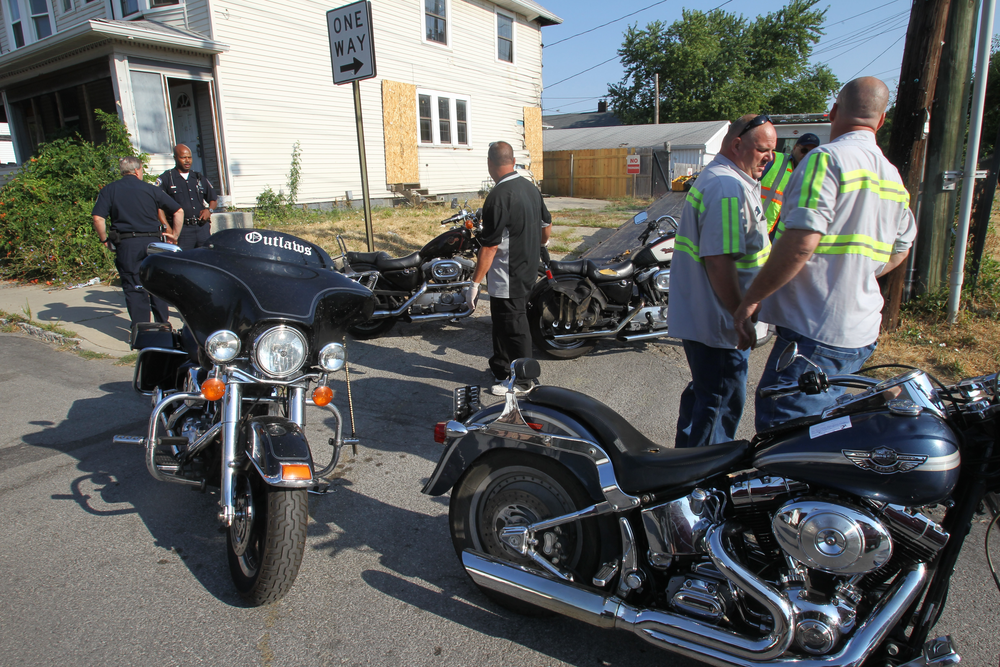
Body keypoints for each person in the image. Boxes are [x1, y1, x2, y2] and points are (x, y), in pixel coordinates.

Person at [732, 77, 917, 431]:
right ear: (881, 121)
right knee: (824, 421)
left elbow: (801, 242)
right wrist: (859, 274)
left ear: (833, 112)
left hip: (817, 330)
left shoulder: (826, 160)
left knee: (785, 428)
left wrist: (751, 301)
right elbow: (901, 246)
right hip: (860, 330)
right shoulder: (893, 177)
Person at [667, 113, 776, 448]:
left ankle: (684, 465)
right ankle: (701, 482)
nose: (769, 157)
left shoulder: (726, 180)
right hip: (720, 325)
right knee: (717, 406)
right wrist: (738, 315)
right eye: (762, 149)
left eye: (773, 150)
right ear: (737, 144)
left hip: (710, 321)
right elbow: (719, 261)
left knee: (705, 397)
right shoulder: (727, 187)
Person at [467, 141, 551, 395]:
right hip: (527, 267)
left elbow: (489, 247)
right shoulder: (530, 188)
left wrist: (474, 284)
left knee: (515, 326)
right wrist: (540, 242)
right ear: (513, 162)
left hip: (508, 274)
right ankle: (502, 368)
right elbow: (546, 225)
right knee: (503, 322)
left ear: (490, 164)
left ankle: (524, 381)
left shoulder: (498, 197)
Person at [92, 156, 184, 330]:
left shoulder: (110, 190)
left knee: (135, 286)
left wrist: (104, 238)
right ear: (137, 170)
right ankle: (163, 325)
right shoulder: (150, 189)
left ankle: (142, 330)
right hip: (153, 243)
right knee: (157, 283)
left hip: (128, 244)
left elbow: (98, 218)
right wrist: (174, 234)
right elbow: (178, 211)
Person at [156, 144, 218, 250]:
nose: (187, 161)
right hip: (181, 230)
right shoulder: (167, 178)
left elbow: (213, 199)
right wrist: (167, 227)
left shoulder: (198, 177)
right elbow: (158, 205)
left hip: (201, 227)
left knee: (206, 258)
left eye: (189, 157)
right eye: (183, 158)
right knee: (184, 261)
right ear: (175, 158)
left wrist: (209, 210)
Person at [760, 133, 821, 235]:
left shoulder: (816, 175)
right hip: (762, 227)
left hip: (786, 232)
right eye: (804, 150)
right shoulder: (774, 159)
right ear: (795, 147)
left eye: (813, 152)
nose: (807, 155)